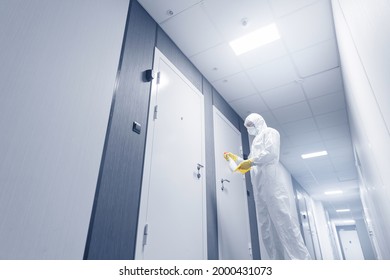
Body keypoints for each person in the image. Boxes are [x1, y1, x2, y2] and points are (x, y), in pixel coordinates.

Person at [225, 113, 311, 260]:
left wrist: (250, 162)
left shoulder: (270, 132)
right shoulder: (254, 143)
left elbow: (270, 153)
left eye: (250, 125)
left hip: (273, 185)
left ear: (258, 122)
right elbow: (249, 165)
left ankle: (302, 261)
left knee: (284, 223)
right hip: (259, 189)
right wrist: (235, 159)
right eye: (247, 127)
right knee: (267, 230)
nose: (249, 129)